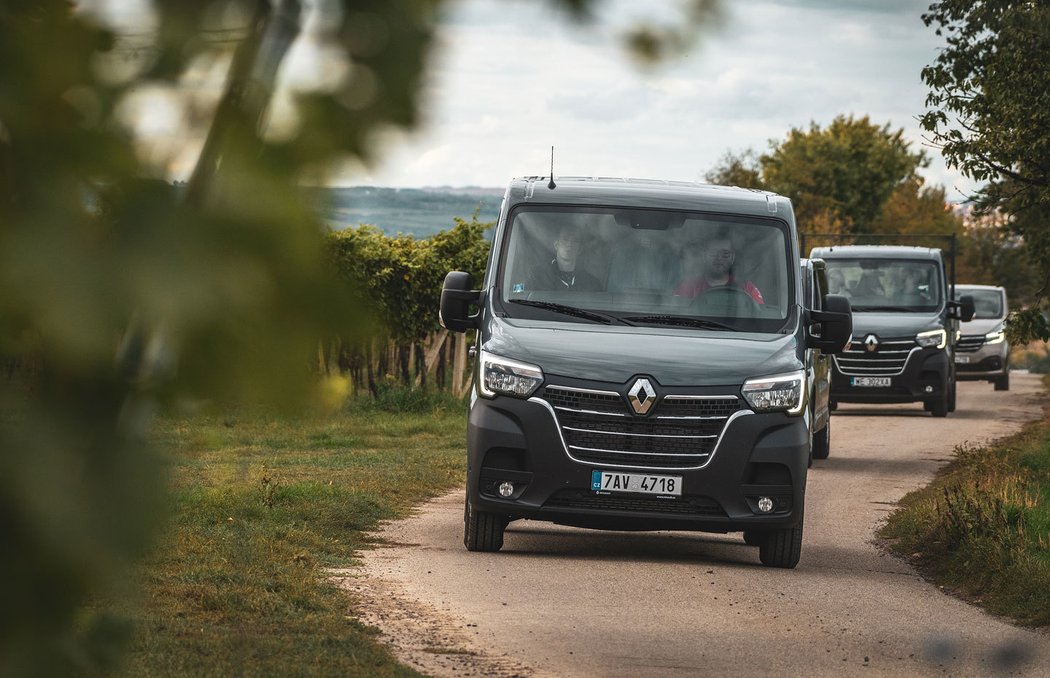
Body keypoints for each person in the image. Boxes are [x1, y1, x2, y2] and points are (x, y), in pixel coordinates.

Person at [674, 236, 764, 303]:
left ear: (732, 258)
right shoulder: (688, 287)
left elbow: (760, 319)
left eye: (725, 254)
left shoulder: (748, 289)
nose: (719, 258)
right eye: (713, 253)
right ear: (704, 256)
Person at [524, 226, 602, 292]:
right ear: (556, 245)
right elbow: (520, 298)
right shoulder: (538, 276)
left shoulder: (592, 283)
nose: (569, 245)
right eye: (565, 239)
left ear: (580, 249)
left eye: (575, 241)